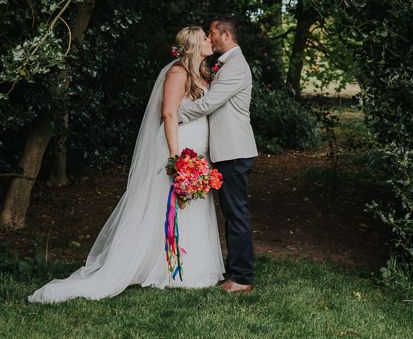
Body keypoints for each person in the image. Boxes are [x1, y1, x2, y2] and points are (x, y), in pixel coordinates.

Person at [28, 26, 224, 304]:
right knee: (165, 206)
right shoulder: (177, 73)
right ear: (194, 44)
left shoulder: (202, 74)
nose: (209, 40)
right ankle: (163, 267)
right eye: (205, 37)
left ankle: (191, 269)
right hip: (178, 148)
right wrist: (175, 155)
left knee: (193, 206)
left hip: (198, 152)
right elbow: (168, 114)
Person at [178, 16, 257, 293]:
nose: (209, 38)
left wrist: (175, 114)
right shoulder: (227, 64)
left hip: (234, 151)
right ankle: (235, 270)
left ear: (225, 34)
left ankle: (243, 277)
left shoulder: (236, 66)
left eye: (212, 33)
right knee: (232, 212)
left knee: (236, 213)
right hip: (228, 151)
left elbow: (209, 103)